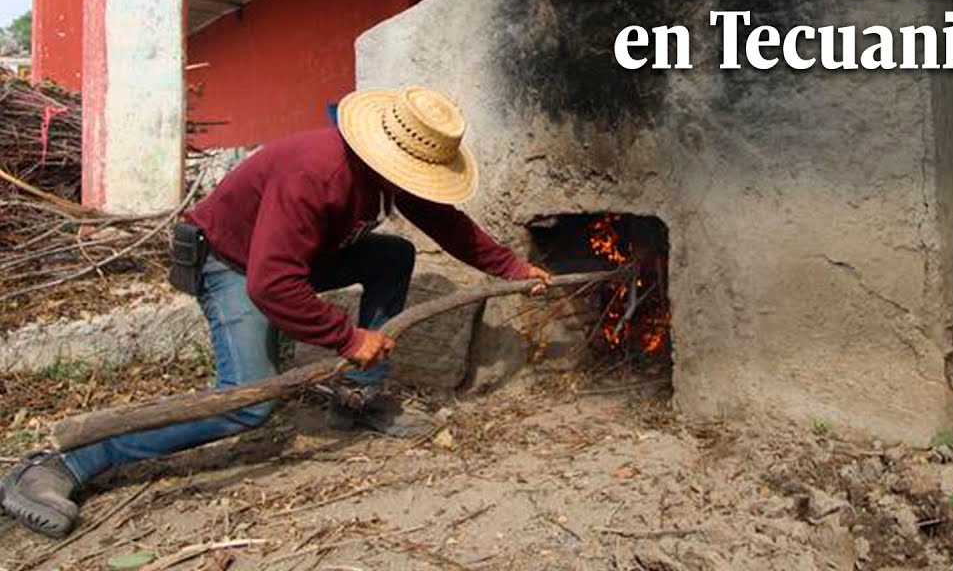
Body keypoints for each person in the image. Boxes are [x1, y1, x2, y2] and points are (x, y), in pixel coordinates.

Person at [1, 87, 550, 538]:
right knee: (247, 404)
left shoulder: (382, 171)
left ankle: (359, 396)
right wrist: (346, 337)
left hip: (286, 260)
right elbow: (270, 283)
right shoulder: (318, 176)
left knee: (394, 255)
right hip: (232, 264)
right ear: (387, 151)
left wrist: (512, 269)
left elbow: (444, 222)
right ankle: (63, 462)